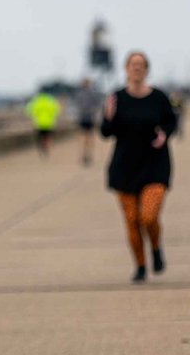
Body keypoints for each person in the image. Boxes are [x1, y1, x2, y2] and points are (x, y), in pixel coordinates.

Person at [100, 51, 178, 283]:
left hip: (155, 165)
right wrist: (109, 116)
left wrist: (165, 134)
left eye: (141, 65)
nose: (137, 68)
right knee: (132, 220)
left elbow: (171, 121)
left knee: (148, 216)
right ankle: (141, 266)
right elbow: (105, 133)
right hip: (124, 168)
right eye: (133, 64)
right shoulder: (116, 98)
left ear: (146, 69)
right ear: (126, 68)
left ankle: (155, 247)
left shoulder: (159, 98)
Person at [26, 89, 61, 156]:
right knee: (47, 136)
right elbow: (57, 110)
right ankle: (46, 147)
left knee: (40, 137)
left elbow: (29, 111)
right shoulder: (51, 100)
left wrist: (35, 115)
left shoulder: (36, 101)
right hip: (49, 123)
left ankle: (42, 147)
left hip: (39, 123)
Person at [75, 78, 99, 165]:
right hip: (88, 118)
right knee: (88, 138)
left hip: (84, 118)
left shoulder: (80, 95)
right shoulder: (92, 94)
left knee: (84, 137)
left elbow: (78, 106)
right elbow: (97, 106)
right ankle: (87, 154)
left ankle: (85, 154)